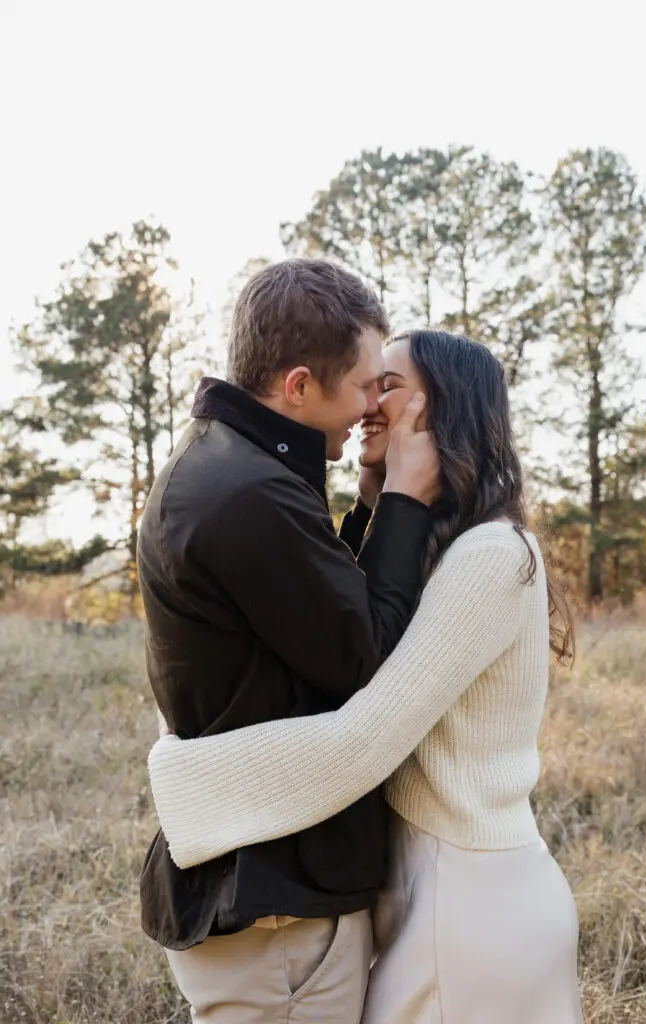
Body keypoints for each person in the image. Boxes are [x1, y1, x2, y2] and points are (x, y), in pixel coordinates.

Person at [148, 331, 584, 1024]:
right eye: (366, 384)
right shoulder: (433, 552)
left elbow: (366, 735)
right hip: (427, 890)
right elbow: (339, 645)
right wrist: (381, 508)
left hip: (469, 904)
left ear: (444, 410)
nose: (365, 404)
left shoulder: (490, 555)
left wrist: (182, 779)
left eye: (388, 385)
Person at [137, 260, 441, 1023]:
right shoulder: (247, 493)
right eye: (368, 383)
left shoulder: (232, 469)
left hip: (264, 880)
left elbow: (312, 620)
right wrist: (405, 497)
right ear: (299, 385)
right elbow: (364, 657)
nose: (375, 405)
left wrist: (370, 505)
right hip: (275, 903)